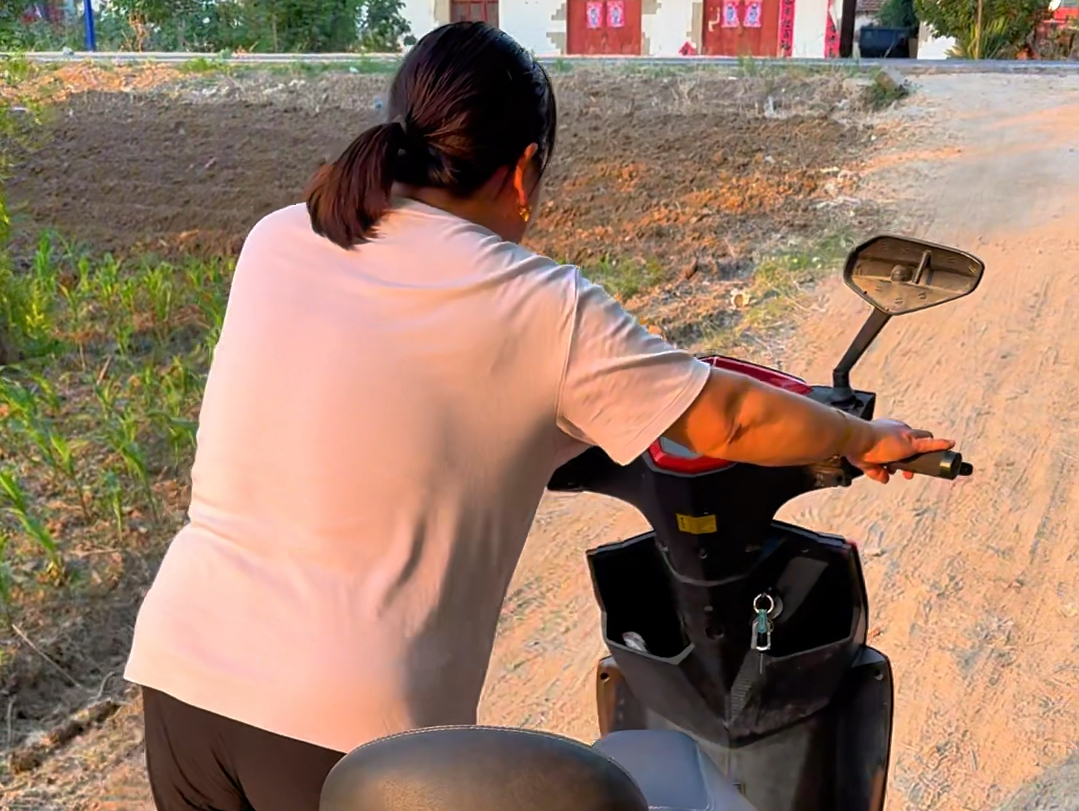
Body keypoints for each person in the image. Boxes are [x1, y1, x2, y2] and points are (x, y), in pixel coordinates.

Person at [124, 21, 952, 811]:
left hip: (184, 679)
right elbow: (726, 419)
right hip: (345, 731)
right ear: (522, 172)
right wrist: (863, 437)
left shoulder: (281, 235)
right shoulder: (540, 305)